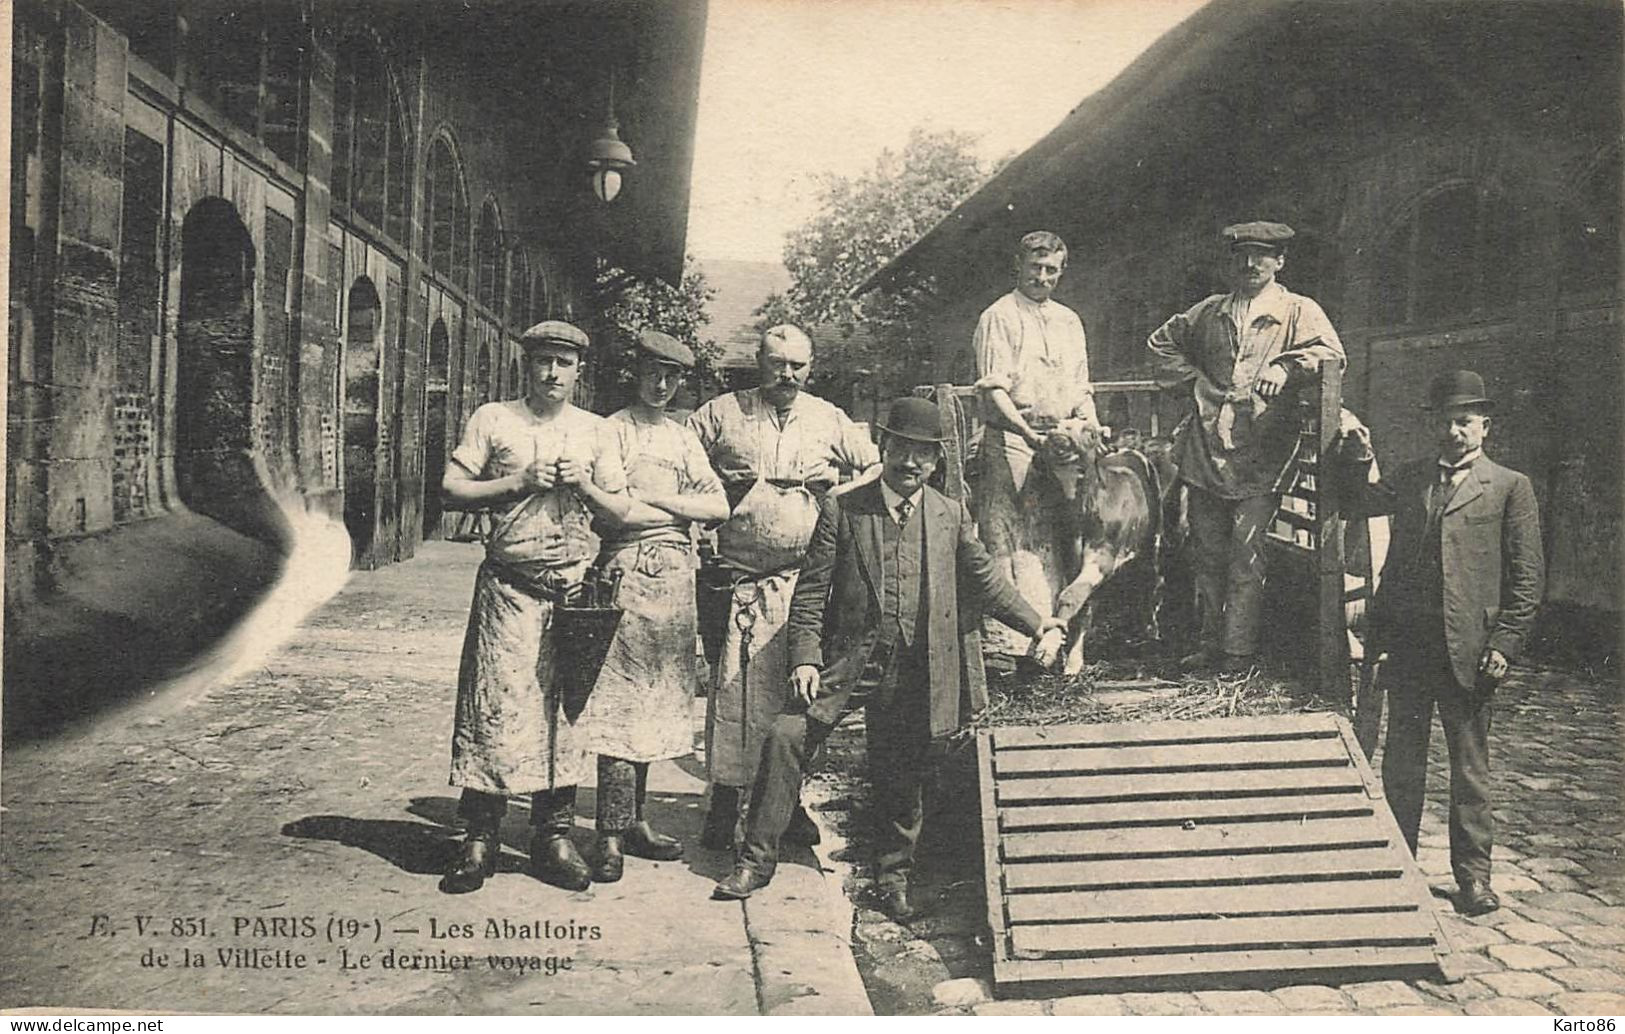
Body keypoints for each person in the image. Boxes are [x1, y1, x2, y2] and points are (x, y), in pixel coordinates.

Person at [709, 397, 1063, 919]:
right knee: (787, 737)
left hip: (917, 667)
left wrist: (1040, 623)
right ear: (883, 447)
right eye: (902, 449)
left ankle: (892, 876)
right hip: (851, 662)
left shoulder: (950, 515)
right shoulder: (844, 509)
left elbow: (986, 580)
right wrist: (805, 659)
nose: (911, 463)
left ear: (938, 461)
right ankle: (755, 862)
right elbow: (810, 594)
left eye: (924, 454)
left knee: (903, 771)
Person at [1342, 370, 1543, 916]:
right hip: (1409, 646)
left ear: (1485, 426)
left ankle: (1473, 879)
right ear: (1433, 425)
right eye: (1446, 421)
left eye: (1465, 421)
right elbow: (1354, 502)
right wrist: (1358, 456)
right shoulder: (1410, 480)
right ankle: (1400, 865)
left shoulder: (1508, 487)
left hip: (1471, 652)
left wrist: (1505, 640)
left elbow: (1526, 578)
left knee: (1470, 769)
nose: (1454, 431)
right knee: (1402, 764)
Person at [439, 320, 630, 895]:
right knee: (494, 708)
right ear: (527, 365)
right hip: (509, 587)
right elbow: (450, 489)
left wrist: (586, 488)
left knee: (563, 712)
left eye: (564, 364)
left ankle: (553, 837)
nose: (552, 373)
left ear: (579, 370)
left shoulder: (596, 432)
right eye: (543, 362)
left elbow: (620, 511)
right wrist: (518, 481)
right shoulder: (494, 419)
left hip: (571, 593)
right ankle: (479, 838)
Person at [686, 325, 880, 850]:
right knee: (732, 697)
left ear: (810, 366)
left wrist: (836, 496)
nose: (786, 374)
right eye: (776, 362)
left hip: (804, 584)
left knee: (792, 702)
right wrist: (707, 507)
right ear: (759, 361)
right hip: (738, 580)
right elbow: (679, 460)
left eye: (796, 364)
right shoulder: (722, 412)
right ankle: (723, 805)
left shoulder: (827, 417)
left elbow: (875, 465)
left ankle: (786, 806)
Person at [1147, 220, 1345, 671]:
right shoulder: (1210, 312)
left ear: (1280, 262)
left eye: (1262, 255)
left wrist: (1288, 366)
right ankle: (1210, 645)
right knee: (1208, 554)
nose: (1251, 264)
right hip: (1206, 451)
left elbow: (1333, 355)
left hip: (1262, 455)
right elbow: (1160, 345)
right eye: (1242, 256)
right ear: (1231, 262)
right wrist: (1195, 382)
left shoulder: (1298, 310)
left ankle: (1238, 654)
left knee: (1246, 555)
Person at [576, 330, 728, 883]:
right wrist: (676, 510)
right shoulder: (611, 431)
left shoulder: (685, 438)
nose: (661, 385)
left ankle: (636, 821)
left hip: (675, 584)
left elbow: (718, 504)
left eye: (672, 377)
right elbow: (616, 512)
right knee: (619, 701)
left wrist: (661, 502)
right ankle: (609, 834)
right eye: (652, 373)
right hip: (626, 574)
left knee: (660, 701)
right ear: (634, 372)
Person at [971, 230, 1100, 656]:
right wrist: (1028, 435)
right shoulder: (1000, 316)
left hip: (1061, 440)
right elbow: (994, 391)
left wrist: (1089, 427)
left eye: (1051, 270)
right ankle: (1008, 652)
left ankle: (1054, 643)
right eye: (1035, 267)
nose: (1041, 277)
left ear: (1061, 273)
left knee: (1060, 537)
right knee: (1010, 541)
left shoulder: (1068, 320)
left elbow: (1082, 387)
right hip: (1014, 438)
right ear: (1018, 265)